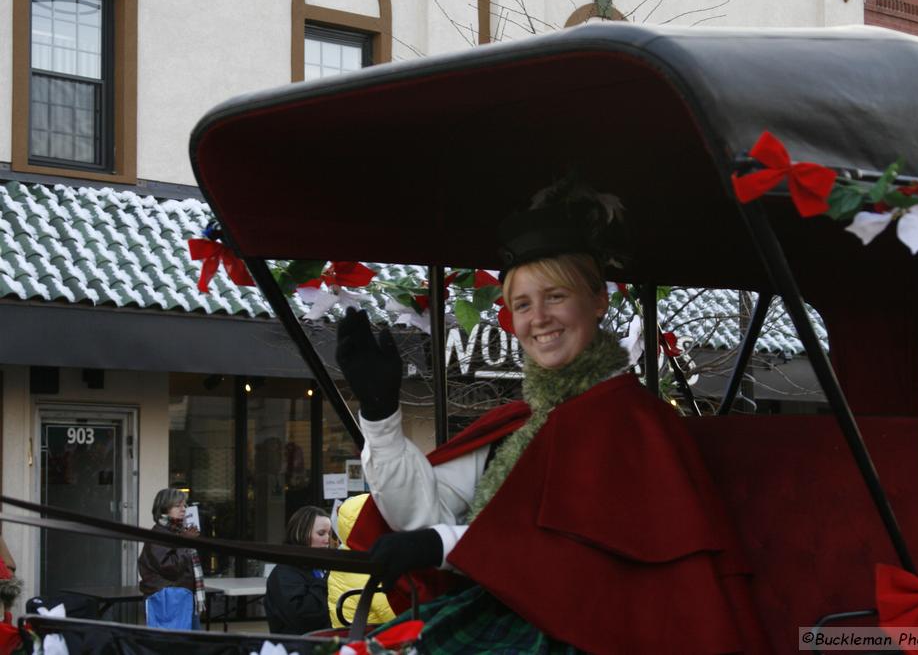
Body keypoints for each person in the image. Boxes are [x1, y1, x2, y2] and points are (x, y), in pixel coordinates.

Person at [337, 178, 770, 653]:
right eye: (522, 304)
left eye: (556, 296)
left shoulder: (631, 420)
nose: (537, 318)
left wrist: (442, 546)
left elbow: (579, 557)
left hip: (585, 634)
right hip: (501, 610)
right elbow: (421, 514)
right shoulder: (519, 421)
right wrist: (381, 415)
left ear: (599, 302)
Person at [137, 488, 205, 629]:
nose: (183, 509)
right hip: (168, 604)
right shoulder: (159, 535)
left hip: (182, 600)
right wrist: (185, 543)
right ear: (164, 508)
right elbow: (171, 568)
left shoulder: (178, 532)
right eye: (178, 505)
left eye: (184, 505)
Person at [326, 494, 397, 628]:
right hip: (370, 639)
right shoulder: (362, 564)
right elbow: (395, 611)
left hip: (357, 637)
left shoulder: (350, 556)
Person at [263, 506, 334, 635]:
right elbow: (303, 617)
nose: (327, 540)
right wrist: (326, 581)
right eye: (321, 533)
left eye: (329, 533)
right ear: (300, 534)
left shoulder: (319, 567)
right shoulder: (284, 572)